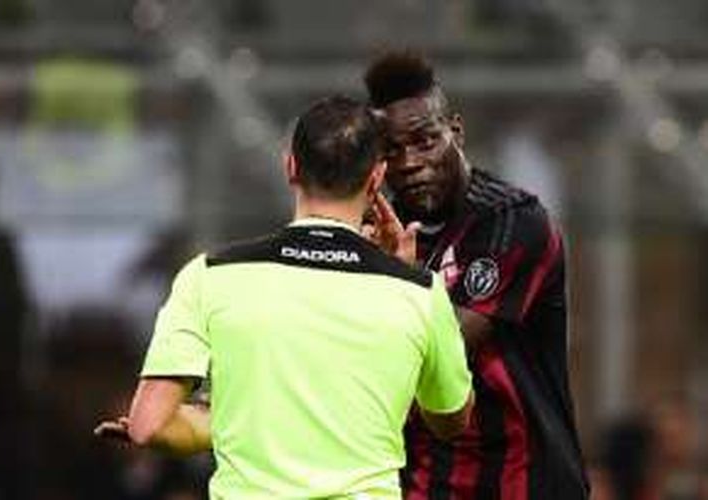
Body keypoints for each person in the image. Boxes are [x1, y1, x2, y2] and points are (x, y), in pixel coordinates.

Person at [96, 95, 474, 499]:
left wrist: (233, 420)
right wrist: (400, 270)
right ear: (376, 177)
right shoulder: (418, 292)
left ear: (290, 165)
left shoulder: (210, 276)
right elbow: (451, 419)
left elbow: (148, 424)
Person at [363, 52, 588, 499]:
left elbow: (448, 349)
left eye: (425, 141)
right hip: (425, 486)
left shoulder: (513, 222)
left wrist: (397, 286)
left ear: (456, 132)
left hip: (522, 484)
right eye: (392, 150)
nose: (409, 162)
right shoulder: (372, 229)